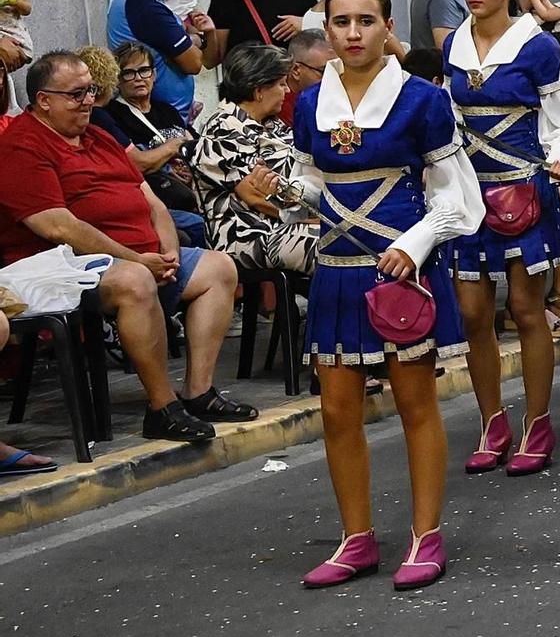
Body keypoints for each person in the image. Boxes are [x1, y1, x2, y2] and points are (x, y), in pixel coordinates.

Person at [294, 0, 480, 591]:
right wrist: (282, 198)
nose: (353, 33)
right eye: (341, 22)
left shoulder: (424, 100)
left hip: (402, 273)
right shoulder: (306, 103)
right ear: (326, 26)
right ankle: (357, 539)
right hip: (337, 273)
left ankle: (427, 535)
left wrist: (413, 245)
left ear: (386, 25)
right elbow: (313, 185)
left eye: (365, 21)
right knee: (338, 412)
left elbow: (458, 200)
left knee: (414, 405)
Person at [0, 52, 253, 442]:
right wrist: (137, 259)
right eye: (77, 94)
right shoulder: (21, 145)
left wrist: (167, 251)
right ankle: (162, 407)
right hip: (60, 267)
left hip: (140, 255)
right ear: (43, 99)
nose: (88, 101)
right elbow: (57, 226)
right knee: (135, 281)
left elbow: (150, 200)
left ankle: (198, 391)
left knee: (218, 267)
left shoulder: (98, 136)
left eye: (92, 91)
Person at [444, 0, 560, 478]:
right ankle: (491, 421)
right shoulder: (454, 45)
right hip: (467, 196)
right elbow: (449, 118)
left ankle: (538, 421)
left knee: (526, 311)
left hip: (525, 192)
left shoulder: (538, 45)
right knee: (474, 315)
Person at [190, 44, 320, 276]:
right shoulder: (224, 129)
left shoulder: (272, 124)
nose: (288, 90)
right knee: (335, 248)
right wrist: (312, 219)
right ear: (258, 90)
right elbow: (256, 198)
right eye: (281, 84)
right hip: (248, 234)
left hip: (290, 223)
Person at [99, 43, 204, 244]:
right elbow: (138, 164)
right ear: (117, 80)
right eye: (128, 73)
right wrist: (176, 145)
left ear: (154, 74)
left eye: (144, 70)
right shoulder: (114, 115)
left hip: (195, 187)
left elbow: (197, 144)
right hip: (158, 197)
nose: (138, 78)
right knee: (198, 226)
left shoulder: (167, 110)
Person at [106, 0, 203, 121]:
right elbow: (194, 63)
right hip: (160, 121)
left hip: (169, 115)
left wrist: (187, 39)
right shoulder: (145, 10)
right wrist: (197, 38)